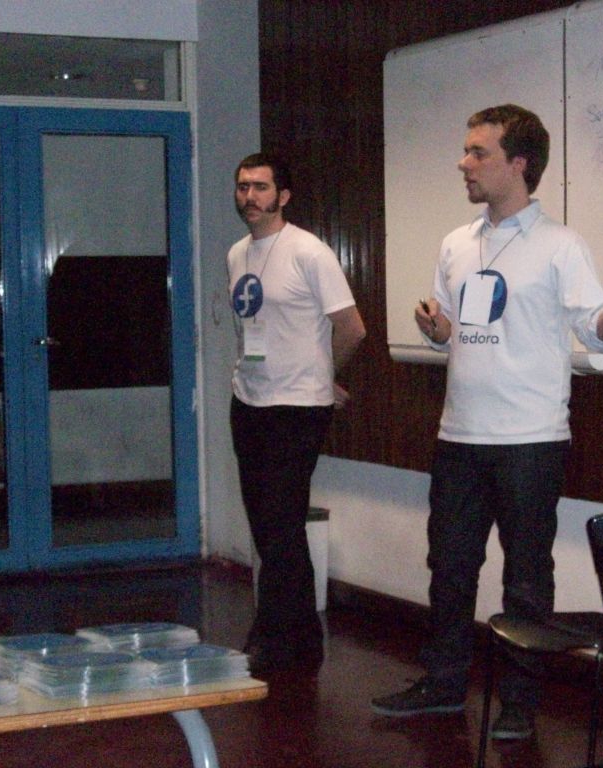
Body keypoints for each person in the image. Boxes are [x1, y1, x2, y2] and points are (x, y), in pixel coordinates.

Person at [370, 105, 603, 739]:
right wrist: (436, 329)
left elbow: (597, 335)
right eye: (466, 151)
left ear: (518, 164)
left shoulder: (560, 245)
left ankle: (519, 702)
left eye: (478, 152)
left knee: (526, 576)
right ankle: (443, 684)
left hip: (529, 440)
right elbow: (453, 330)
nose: (463, 163)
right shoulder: (456, 243)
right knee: (449, 566)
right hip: (459, 435)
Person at [227, 152, 366, 674]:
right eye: (243, 187)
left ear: (282, 196)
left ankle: (274, 635)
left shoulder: (310, 251)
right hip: (248, 400)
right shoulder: (237, 253)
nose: (250, 197)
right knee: (267, 526)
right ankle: (300, 636)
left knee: (282, 523)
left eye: (261, 187)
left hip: (297, 407)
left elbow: (352, 328)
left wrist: (323, 377)